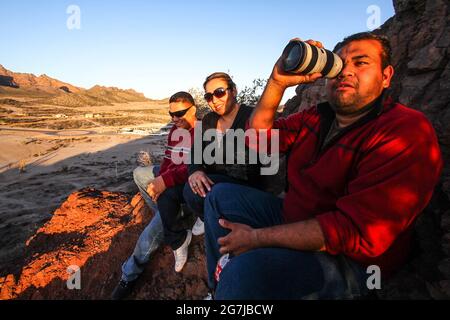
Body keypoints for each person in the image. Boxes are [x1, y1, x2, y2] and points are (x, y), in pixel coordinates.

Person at [203, 33, 443, 299]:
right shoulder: (318, 116)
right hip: (296, 218)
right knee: (219, 196)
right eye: (339, 64)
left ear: (386, 77)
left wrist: (257, 238)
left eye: (361, 63)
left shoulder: (404, 130)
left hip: (353, 259)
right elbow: (257, 139)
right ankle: (219, 290)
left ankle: (232, 283)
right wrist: (277, 82)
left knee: (245, 272)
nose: (346, 72)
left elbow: (354, 231)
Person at [111, 91, 197, 300]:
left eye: (180, 113)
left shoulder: (204, 131)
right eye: (171, 114)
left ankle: (129, 275)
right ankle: (166, 214)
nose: (175, 119)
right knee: (140, 174)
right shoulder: (175, 132)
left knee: (147, 238)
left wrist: (164, 183)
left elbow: (193, 168)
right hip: (171, 186)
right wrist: (160, 183)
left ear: (193, 109)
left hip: (187, 192)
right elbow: (168, 163)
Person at [182, 72, 262, 249]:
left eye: (219, 92)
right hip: (215, 182)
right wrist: (195, 170)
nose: (214, 100)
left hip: (245, 186)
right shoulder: (209, 120)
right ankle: (206, 217)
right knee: (191, 188)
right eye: (208, 96)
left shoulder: (253, 117)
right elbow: (195, 151)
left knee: (197, 191)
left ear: (234, 90)